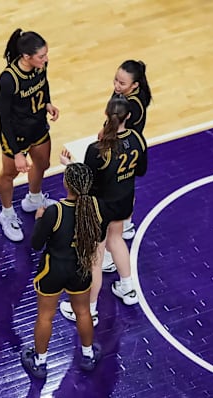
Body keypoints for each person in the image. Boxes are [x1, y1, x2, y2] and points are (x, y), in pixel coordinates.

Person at [59, 96, 148, 326]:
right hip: (123, 200)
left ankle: (89, 309)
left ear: (107, 115)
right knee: (117, 239)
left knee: (94, 259)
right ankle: (128, 289)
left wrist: (69, 166)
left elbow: (85, 184)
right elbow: (142, 171)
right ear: (128, 116)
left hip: (100, 208)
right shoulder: (137, 138)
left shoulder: (97, 149)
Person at [21, 162, 106, 378]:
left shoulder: (54, 211)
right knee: (83, 312)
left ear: (66, 183)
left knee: (45, 317)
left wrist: (40, 221)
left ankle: (40, 362)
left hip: (54, 270)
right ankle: (88, 355)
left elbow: (36, 244)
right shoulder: (95, 208)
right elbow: (97, 236)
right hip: (80, 268)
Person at [0, 28, 60, 242]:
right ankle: (6, 214)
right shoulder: (9, 79)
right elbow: (4, 118)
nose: (46, 59)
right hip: (16, 133)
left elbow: (44, 82)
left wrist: (48, 101)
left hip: (38, 125)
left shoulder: (41, 65)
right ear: (26, 57)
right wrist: (16, 153)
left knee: (43, 164)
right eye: (41, 56)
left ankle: (34, 199)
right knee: (9, 175)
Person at [101, 60, 152, 272]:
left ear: (135, 85)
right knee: (126, 184)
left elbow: (116, 128)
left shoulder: (132, 106)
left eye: (122, 83)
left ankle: (115, 241)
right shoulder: (126, 96)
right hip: (129, 146)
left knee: (117, 186)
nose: (116, 85)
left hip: (124, 147)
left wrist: (104, 136)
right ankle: (127, 223)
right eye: (115, 80)